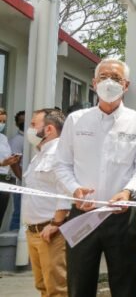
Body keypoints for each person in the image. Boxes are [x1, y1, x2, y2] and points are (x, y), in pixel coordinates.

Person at [54, 58, 136, 297]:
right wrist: (74, 189)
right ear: (93, 83)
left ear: (126, 85)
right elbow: (61, 164)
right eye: (103, 77)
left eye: (116, 78)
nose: (109, 83)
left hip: (121, 217)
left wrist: (129, 191)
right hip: (83, 214)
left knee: (125, 285)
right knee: (79, 284)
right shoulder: (76, 120)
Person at [22, 108, 69, 297]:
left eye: (34, 124)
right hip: (34, 231)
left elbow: (65, 190)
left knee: (57, 290)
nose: (30, 129)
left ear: (49, 129)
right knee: (43, 287)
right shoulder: (39, 154)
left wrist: (56, 222)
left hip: (51, 232)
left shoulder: (60, 153)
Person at [0, 108, 22, 230]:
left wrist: (11, 160)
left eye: (3, 121)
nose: (1, 124)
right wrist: (2, 163)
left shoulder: (3, 138)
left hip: (5, 180)